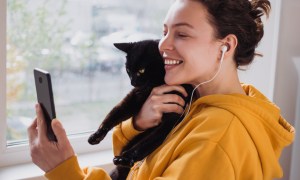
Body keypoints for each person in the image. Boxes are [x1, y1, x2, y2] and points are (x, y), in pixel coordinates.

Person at [28, 0, 295, 179]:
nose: (163, 44)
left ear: (225, 46)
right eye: (165, 31)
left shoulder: (217, 137)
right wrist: (139, 124)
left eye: (182, 34)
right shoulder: (195, 103)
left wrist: (63, 170)